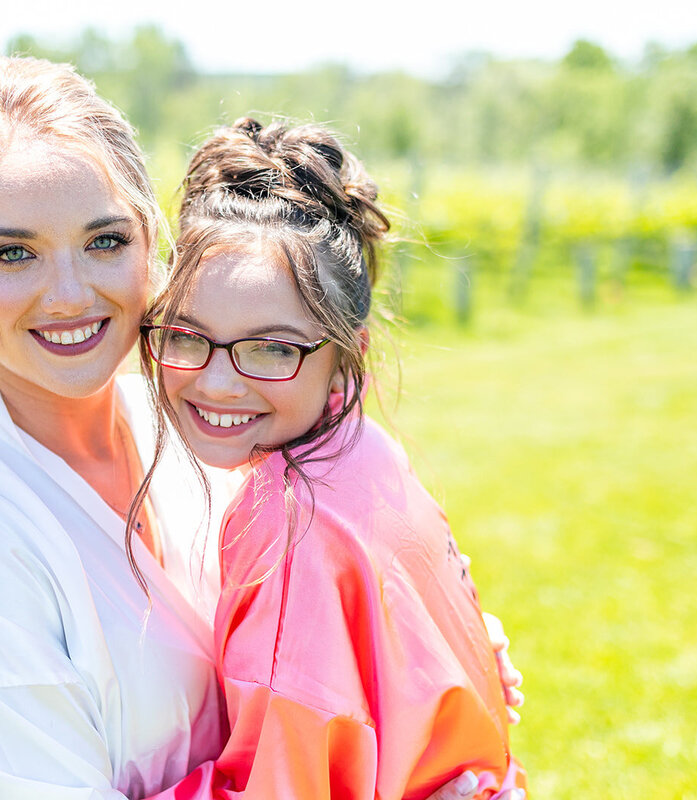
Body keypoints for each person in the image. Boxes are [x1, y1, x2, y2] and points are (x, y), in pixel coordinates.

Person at [0, 56, 520, 799]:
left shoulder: (197, 433)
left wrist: (404, 672)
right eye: (13, 252)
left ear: (152, 244)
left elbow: (303, 630)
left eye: (105, 240)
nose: (68, 294)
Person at [134, 118, 525, 799]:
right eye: (187, 334)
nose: (218, 381)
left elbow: (274, 785)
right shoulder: (366, 453)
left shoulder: (288, 519)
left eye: (272, 348)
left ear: (348, 354)